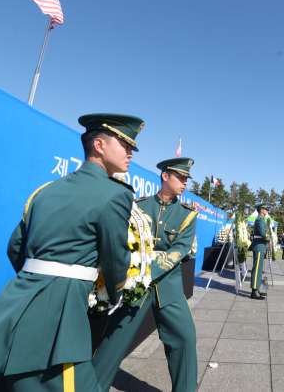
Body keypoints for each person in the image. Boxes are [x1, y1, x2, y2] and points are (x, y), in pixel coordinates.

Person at [0, 114, 144, 391]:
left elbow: (15, 246)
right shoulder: (116, 194)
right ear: (99, 145)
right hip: (60, 309)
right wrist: (113, 294)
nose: (130, 154)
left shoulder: (46, 190)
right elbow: (115, 257)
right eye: (126, 145)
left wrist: (40, 279)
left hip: (16, 298)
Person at [93, 157, 199, 392]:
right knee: (113, 342)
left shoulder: (188, 214)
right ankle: (92, 386)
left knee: (185, 338)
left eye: (186, 179)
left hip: (168, 287)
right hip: (134, 288)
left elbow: (180, 249)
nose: (184, 183)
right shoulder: (138, 206)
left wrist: (147, 271)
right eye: (180, 177)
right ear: (165, 176)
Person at [249, 202, 270, 299]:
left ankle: (256, 289)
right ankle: (254, 292)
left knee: (259, 269)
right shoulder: (260, 220)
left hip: (260, 246)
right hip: (259, 246)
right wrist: (269, 239)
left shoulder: (261, 219)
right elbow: (263, 233)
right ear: (261, 210)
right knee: (257, 269)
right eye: (265, 209)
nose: (266, 210)